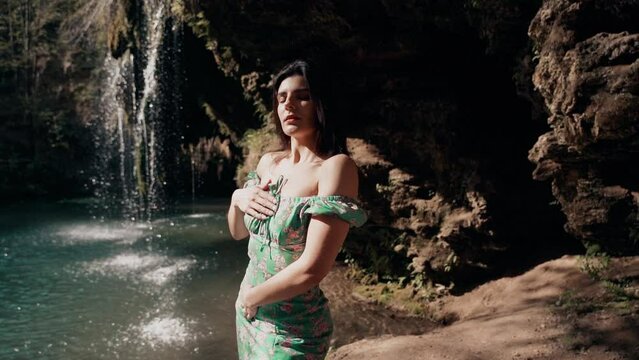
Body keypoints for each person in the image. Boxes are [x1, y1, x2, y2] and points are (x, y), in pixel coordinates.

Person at [226, 60, 367, 359]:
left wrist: (251, 297)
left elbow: (312, 269)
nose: (289, 104)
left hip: (293, 327)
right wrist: (238, 198)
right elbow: (238, 231)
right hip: (250, 315)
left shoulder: (335, 168)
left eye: (302, 96)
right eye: (282, 98)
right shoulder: (268, 163)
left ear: (321, 104)